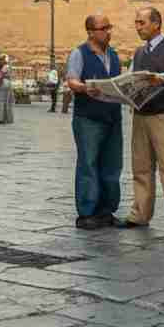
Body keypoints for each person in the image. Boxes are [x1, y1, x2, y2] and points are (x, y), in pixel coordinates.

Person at [119, 7, 164, 238]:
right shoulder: (139, 53)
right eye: (136, 23)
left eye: (141, 22)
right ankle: (140, 214)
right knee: (141, 168)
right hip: (141, 116)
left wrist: (160, 80)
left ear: (156, 24)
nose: (137, 27)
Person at [65, 14, 123, 230]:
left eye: (109, 27)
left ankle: (106, 211)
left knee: (112, 165)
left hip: (112, 117)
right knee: (88, 164)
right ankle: (87, 213)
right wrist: (85, 87)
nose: (108, 31)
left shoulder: (114, 55)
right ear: (90, 32)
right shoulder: (79, 54)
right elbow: (71, 80)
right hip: (88, 118)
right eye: (103, 28)